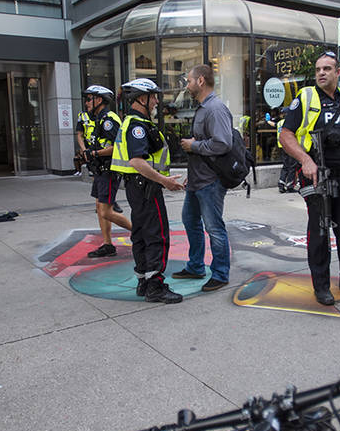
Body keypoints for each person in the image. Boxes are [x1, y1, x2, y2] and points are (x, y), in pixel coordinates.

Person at [279, 51, 340, 306]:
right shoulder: (307, 97)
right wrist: (305, 159)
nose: (321, 73)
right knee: (320, 231)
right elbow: (286, 135)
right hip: (317, 177)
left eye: (326, 68)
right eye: (318, 69)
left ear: (337, 72)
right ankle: (321, 285)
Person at [110, 78, 186, 303]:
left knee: (141, 235)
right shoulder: (137, 126)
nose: (155, 102)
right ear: (141, 98)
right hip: (146, 188)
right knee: (157, 235)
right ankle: (155, 286)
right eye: (153, 97)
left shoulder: (133, 123)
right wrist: (164, 181)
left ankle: (143, 281)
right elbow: (137, 161)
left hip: (138, 189)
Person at [174, 64, 232, 291]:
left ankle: (220, 274)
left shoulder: (215, 108)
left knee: (214, 228)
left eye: (189, 81)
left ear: (200, 81)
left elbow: (223, 143)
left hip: (211, 182)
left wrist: (193, 145)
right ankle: (196, 266)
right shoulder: (203, 108)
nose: (187, 85)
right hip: (198, 180)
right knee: (190, 221)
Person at [80, 85, 133, 257]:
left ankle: (139, 232)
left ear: (99, 100)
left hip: (109, 170)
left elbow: (116, 147)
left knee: (106, 211)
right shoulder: (97, 119)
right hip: (100, 170)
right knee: (99, 206)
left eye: (89, 99)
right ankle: (108, 244)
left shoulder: (109, 120)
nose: (87, 102)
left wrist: (94, 153)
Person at [276, 106, 299, 193]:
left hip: (282, 146)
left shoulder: (280, 123)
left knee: (285, 166)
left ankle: (281, 184)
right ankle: (290, 185)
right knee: (292, 166)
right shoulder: (290, 122)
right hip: (290, 146)